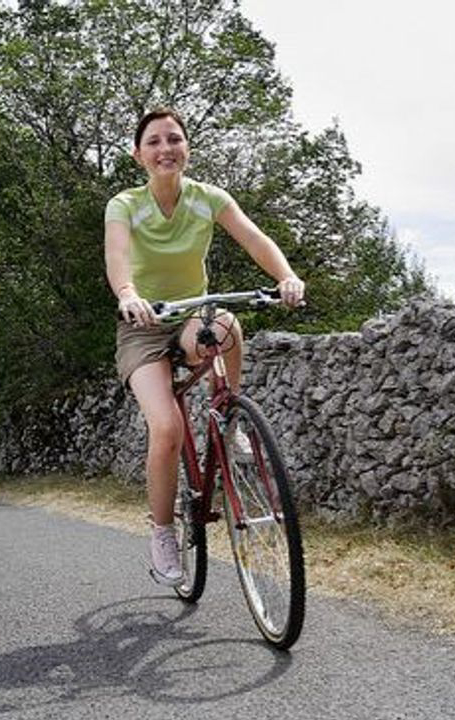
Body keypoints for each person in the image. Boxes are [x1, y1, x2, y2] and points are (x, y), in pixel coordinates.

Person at [104, 108, 305, 586]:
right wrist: (128, 295)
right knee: (169, 428)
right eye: (153, 142)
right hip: (143, 325)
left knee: (228, 326)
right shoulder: (124, 205)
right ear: (139, 156)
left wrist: (286, 276)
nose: (165, 148)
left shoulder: (208, 199)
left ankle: (229, 417)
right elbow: (117, 257)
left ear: (187, 149)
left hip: (191, 314)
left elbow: (255, 238)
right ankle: (162, 532)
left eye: (174, 139)